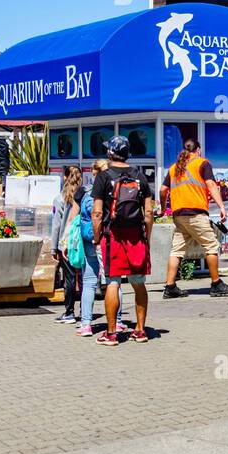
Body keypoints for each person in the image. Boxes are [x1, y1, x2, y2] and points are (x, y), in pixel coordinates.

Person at [91, 136, 154, 346]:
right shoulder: (140, 177)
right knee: (138, 283)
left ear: (110, 153)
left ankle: (110, 334)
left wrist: (97, 236)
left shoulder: (103, 177)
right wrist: (148, 237)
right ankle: (140, 330)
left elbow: (97, 213)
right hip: (136, 237)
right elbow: (149, 214)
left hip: (113, 237)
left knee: (113, 282)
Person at [158, 139, 228, 299]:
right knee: (211, 246)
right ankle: (216, 284)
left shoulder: (174, 168)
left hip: (179, 216)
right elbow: (211, 185)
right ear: (198, 150)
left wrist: (162, 206)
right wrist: (222, 206)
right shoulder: (202, 163)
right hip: (195, 214)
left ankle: (170, 287)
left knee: (177, 250)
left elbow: (163, 189)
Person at [74, 159, 108, 337]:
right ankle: (116, 322)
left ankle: (86, 324)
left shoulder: (87, 193)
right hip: (106, 240)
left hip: (89, 239)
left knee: (88, 281)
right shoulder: (110, 193)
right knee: (112, 281)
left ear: (93, 174)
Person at [50, 166, 86, 324]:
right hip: (83, 241)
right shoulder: (85, 196)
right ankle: (85, 312)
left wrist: (54, 247)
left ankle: (69, 312)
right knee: (85, 278)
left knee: (69, 279)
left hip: (66, 243)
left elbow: (57, 225)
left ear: (65, 177)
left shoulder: (60, 199)